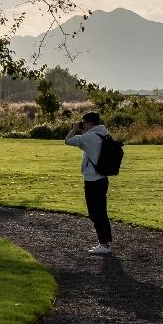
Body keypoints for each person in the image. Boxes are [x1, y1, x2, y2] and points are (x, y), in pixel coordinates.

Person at [65, 108, 113, 254]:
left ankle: (103, 245)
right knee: (101, 211)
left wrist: (74, 129)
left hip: (92, 180)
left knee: (95, 213)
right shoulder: (103, 133)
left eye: (84, 122)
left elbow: (68, 141)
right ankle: (105, 243)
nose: (82, 124)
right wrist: (82, 130)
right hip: (103, 178)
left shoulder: (88, 138)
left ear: (89, 123)